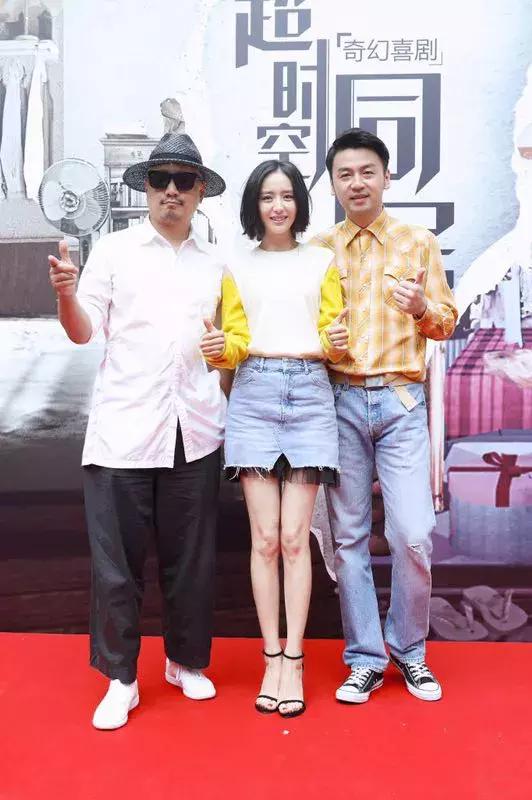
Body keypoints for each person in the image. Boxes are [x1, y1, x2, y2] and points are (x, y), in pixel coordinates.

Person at [47, 133, 227, 730]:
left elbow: (228, 347)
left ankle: (185, 662)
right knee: (117, 567)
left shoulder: (216, 263)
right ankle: (121, 678)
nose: (171, 191)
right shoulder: (115, 251)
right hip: (123, 429)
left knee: (190, 560)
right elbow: (82, 332)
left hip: (194, 428)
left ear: (200, 191)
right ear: (145, 188)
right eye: (159, 180)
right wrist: (66, 296)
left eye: (183, 180)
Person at [313, 128, 458, 704]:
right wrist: (325, 340)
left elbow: (446, 321)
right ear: (332, 184)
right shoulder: (319, 250)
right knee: (348, 537)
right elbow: (305, 331)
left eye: (367, 171)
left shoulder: (418, 242)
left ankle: (410, 649)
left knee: (413, 534)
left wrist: (421, 307)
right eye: (345, 174)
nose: (357, 183)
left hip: (400, 402)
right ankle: (365, 659)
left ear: (387, 177)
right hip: (340, 400)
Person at [201, 160, 348, 717]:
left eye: (287, 196)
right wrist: (223, 349)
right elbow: (237, 340)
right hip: (255, 394)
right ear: (254, 205)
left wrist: (337, 341)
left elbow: (333, 337)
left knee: (294, 538)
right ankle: (270, 658)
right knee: (264, 539)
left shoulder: (322, 261)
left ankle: (296, 659)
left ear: (299, 203)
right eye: (267, 197)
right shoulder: (236, 265)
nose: (278, 206)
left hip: (310, 393)